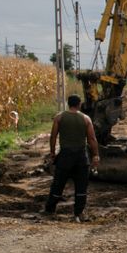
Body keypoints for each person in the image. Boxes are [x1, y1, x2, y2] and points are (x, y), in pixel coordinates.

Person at [46, 94, 99, 222]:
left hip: (65, 156)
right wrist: (96, 155)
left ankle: (50, 209)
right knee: (81, 185)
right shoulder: (86, 119)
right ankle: (78, 213)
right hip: (81, 156)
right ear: (79, 104)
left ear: (68, 103)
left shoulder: (59, 117)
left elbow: (53, 137)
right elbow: (92, 139)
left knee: (58, 183)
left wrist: (52, 153)